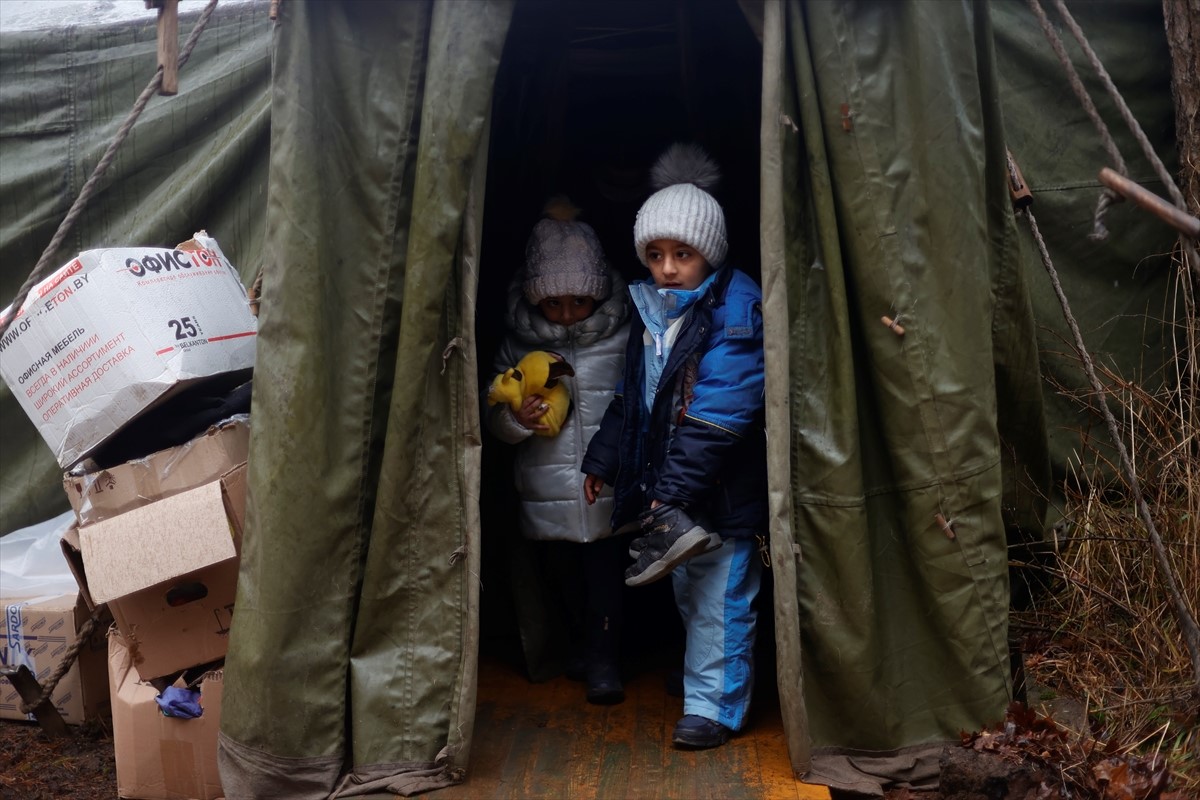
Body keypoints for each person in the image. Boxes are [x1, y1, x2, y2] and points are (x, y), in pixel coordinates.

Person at [582, 143, 767, 749]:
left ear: (708, 254)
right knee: (692, 595)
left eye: (682, 254)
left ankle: (713, 708)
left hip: (718, 487)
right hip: (677, 491)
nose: (666, 267)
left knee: (721, 601)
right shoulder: (653, 313)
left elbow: (722, 409)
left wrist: (673, 496)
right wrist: (604, 458)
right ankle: (702, 681)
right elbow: (631, 396)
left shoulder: (735, 306)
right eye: (655, 254)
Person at [485, 197, 631, 705]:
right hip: (545, 486)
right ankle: (580, 650)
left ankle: (605, 662)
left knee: (608, 577)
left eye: (579, 301)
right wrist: (514, 421)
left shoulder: (626, 337)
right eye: (552, 302)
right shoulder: (514, 347)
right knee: (562, 578)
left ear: (600, 292)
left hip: (607, 485)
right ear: (532, 298)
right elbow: (489, 413)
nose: (567, 313)